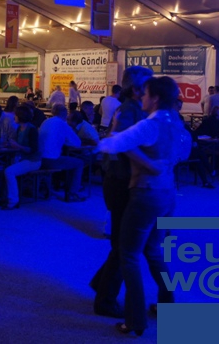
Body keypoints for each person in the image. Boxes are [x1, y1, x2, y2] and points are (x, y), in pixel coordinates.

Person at [97, 77, 192, 336]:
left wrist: (113, 133)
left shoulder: (150, 124)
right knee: (153, 251)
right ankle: (167, 305)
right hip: (168, 194)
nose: (142, 98)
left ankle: (135, 321)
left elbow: (111, 145)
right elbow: (183, 154)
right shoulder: (176, 122)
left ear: (156, 98)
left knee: (129, 256)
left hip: (146, 194)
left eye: (146, 94)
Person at [89, 66, 152, 318]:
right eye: (148, 85)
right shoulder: (128, 110)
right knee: (123, 245)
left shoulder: (134, 109)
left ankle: (101, 284)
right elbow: (117, 143)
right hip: (121, 182)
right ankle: (105, 301)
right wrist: (149, 161)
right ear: (136, 89)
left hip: (122, 180)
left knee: (123, 244)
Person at [38, 104, 86, 202]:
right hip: (50, 159)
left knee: (66, 160)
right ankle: (72, 194)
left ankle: (56, 186)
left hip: (38, 158)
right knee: (79, 163)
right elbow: (77, 143)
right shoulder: (62, 124)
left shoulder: (46, 121)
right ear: (65, 115)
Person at [1, 105, 40, 210]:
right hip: (23, 158)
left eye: (16, 115)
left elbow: (32, 149)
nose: (14, 117)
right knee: (2, 166)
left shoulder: (32, 130)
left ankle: (13, 200)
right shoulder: (19, 128)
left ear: (20, 116)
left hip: (33, 160)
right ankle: (3, 196)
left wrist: (17, 146)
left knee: (9, 171)